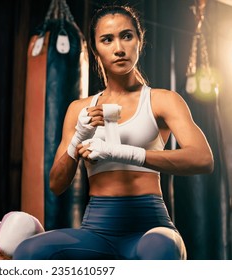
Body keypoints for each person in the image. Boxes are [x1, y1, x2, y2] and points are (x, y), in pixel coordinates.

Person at [13, 4, 214, 260]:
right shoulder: (79, 110)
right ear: (95, 48)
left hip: (151, 228)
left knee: (161, 251)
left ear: (139, 41)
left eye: (127, 36)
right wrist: (78, 139)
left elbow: (202, 159)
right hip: (97, 231)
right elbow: (56, 184)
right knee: (28, 252)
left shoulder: (162, 100)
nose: (119, 48)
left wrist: (124, 152)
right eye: (107, 40)